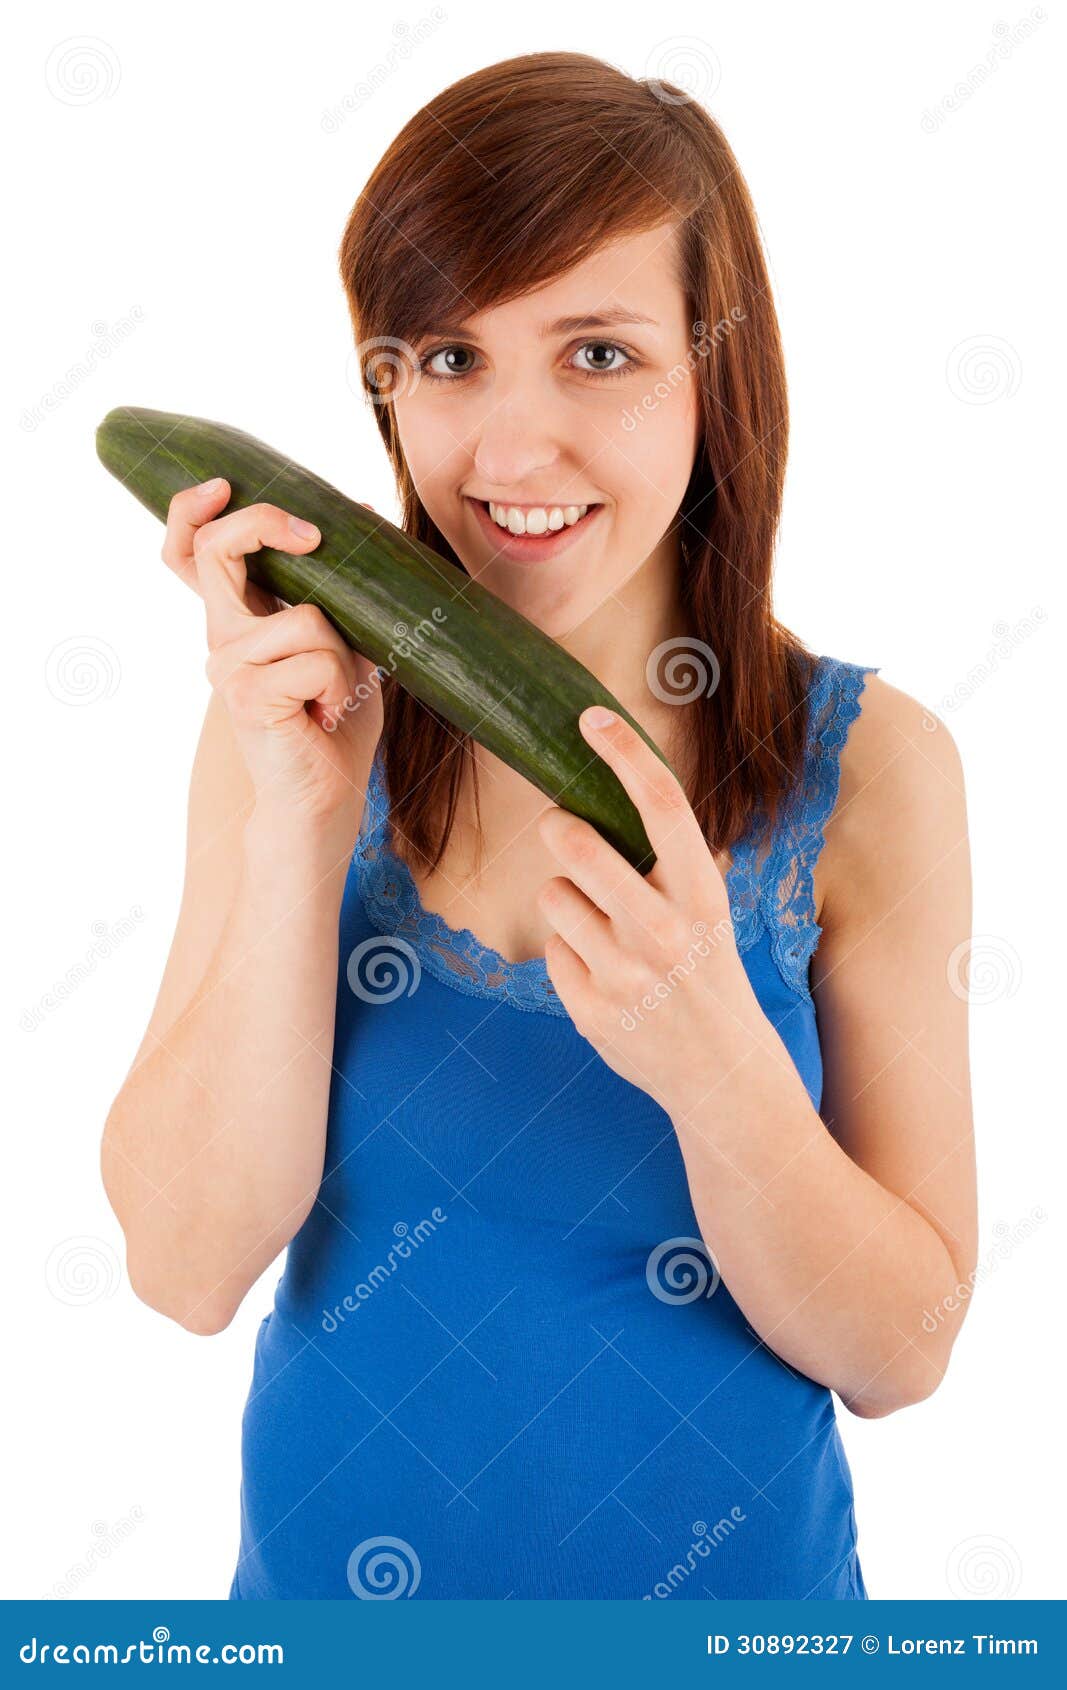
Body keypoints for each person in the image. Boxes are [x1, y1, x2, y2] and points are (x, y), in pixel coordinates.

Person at [101, 52, 977, 1600]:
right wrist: (301, 826)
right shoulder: (282, 733)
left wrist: (719, 1059)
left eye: (597, 352)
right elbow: (182, 1268)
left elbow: (903, 1352)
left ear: (721, 376)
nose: (510, 454)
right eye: (448, 358)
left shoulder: (871, 769)